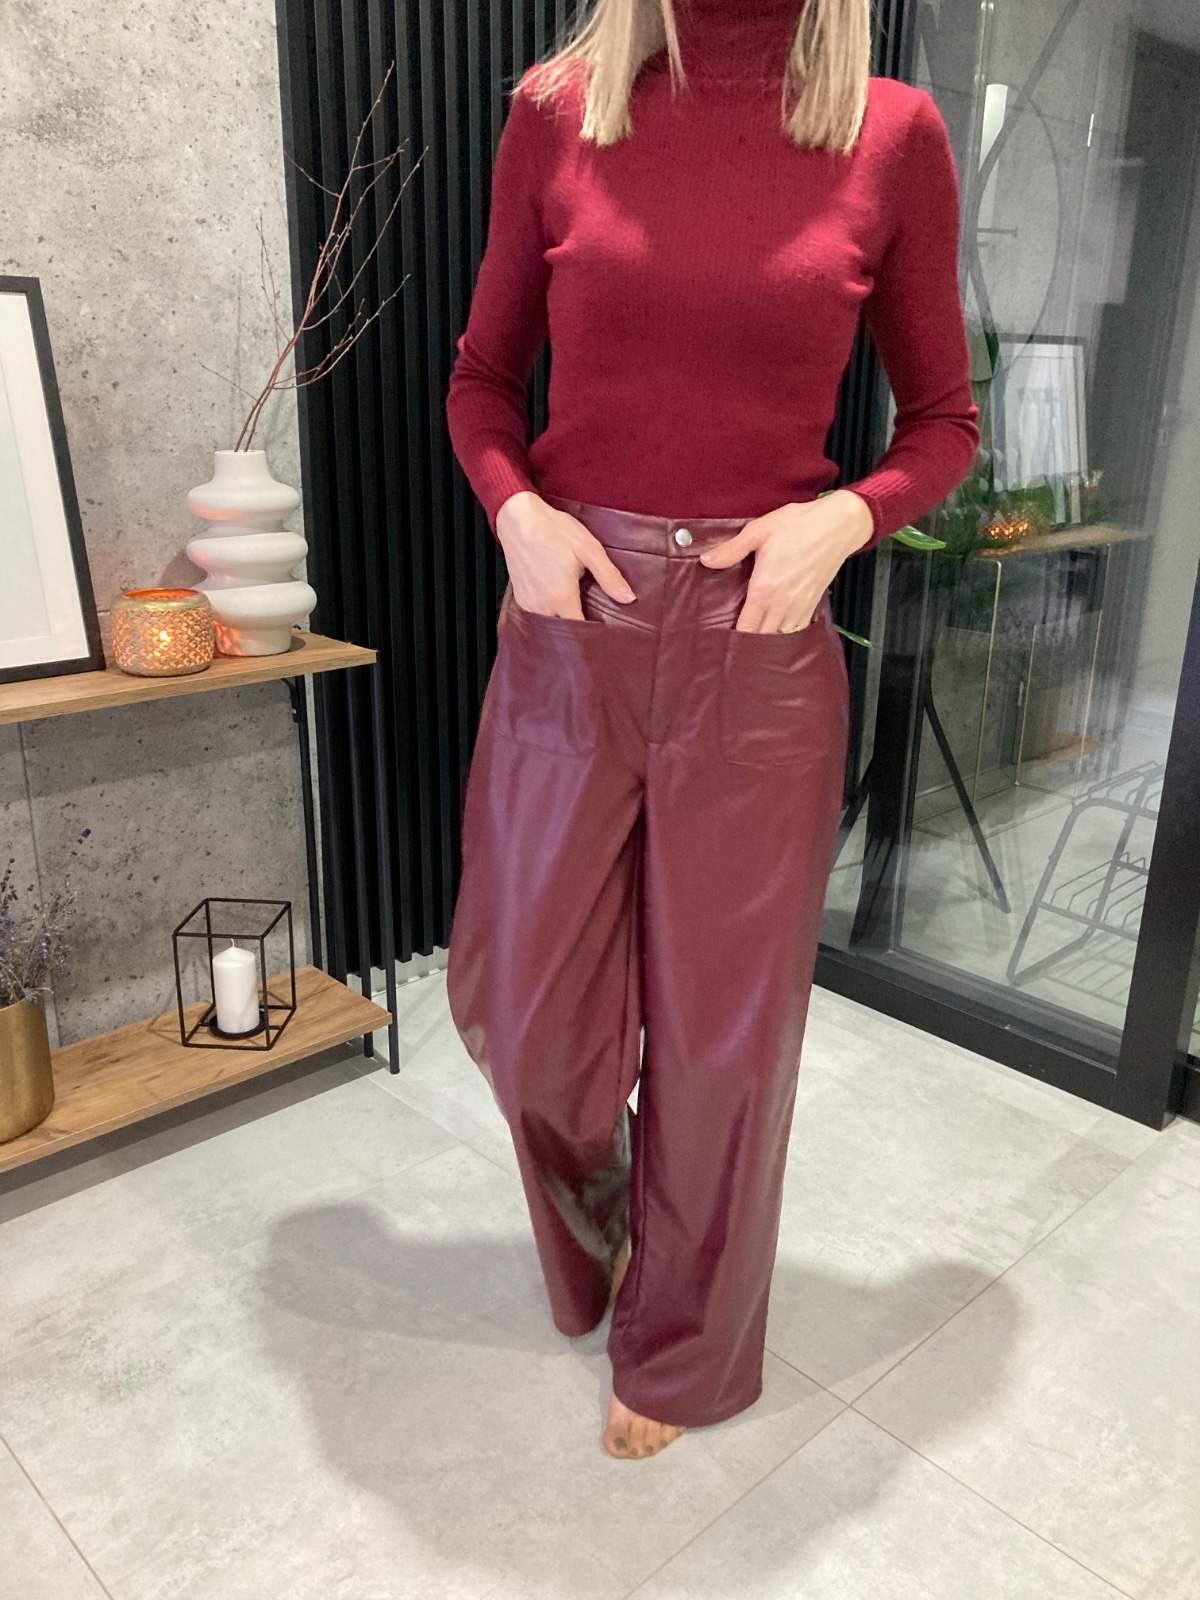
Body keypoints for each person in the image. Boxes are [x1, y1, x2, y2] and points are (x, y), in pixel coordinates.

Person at [445, 0, 979, 1461]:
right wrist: (517, 515)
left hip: (757, 641)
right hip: (577, 623)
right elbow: (483, 378)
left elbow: (943, 421)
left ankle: (681, 1345)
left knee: (723, 1046)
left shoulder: (889, 135)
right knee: (523, 1021)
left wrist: (843, 522)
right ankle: (612, 1227)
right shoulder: (559, 112)